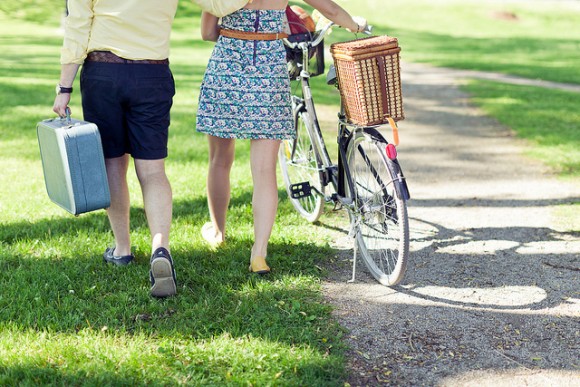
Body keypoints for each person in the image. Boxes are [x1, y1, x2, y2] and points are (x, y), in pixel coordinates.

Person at [196, 0, 366, 274]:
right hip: (269, 74)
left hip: (226, 71)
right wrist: (356, 25)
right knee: (264, 170)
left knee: (219, 160)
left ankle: (218, 232)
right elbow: (331, 10)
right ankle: (259, 254)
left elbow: (207, 32)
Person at [52, 0, 178, 297]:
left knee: (112, 163)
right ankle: (161, 247)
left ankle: (122, 249)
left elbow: (78, 27)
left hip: (103, 74)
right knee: (152, 170)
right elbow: (220, 4)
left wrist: (64, 87)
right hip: (152, 75)